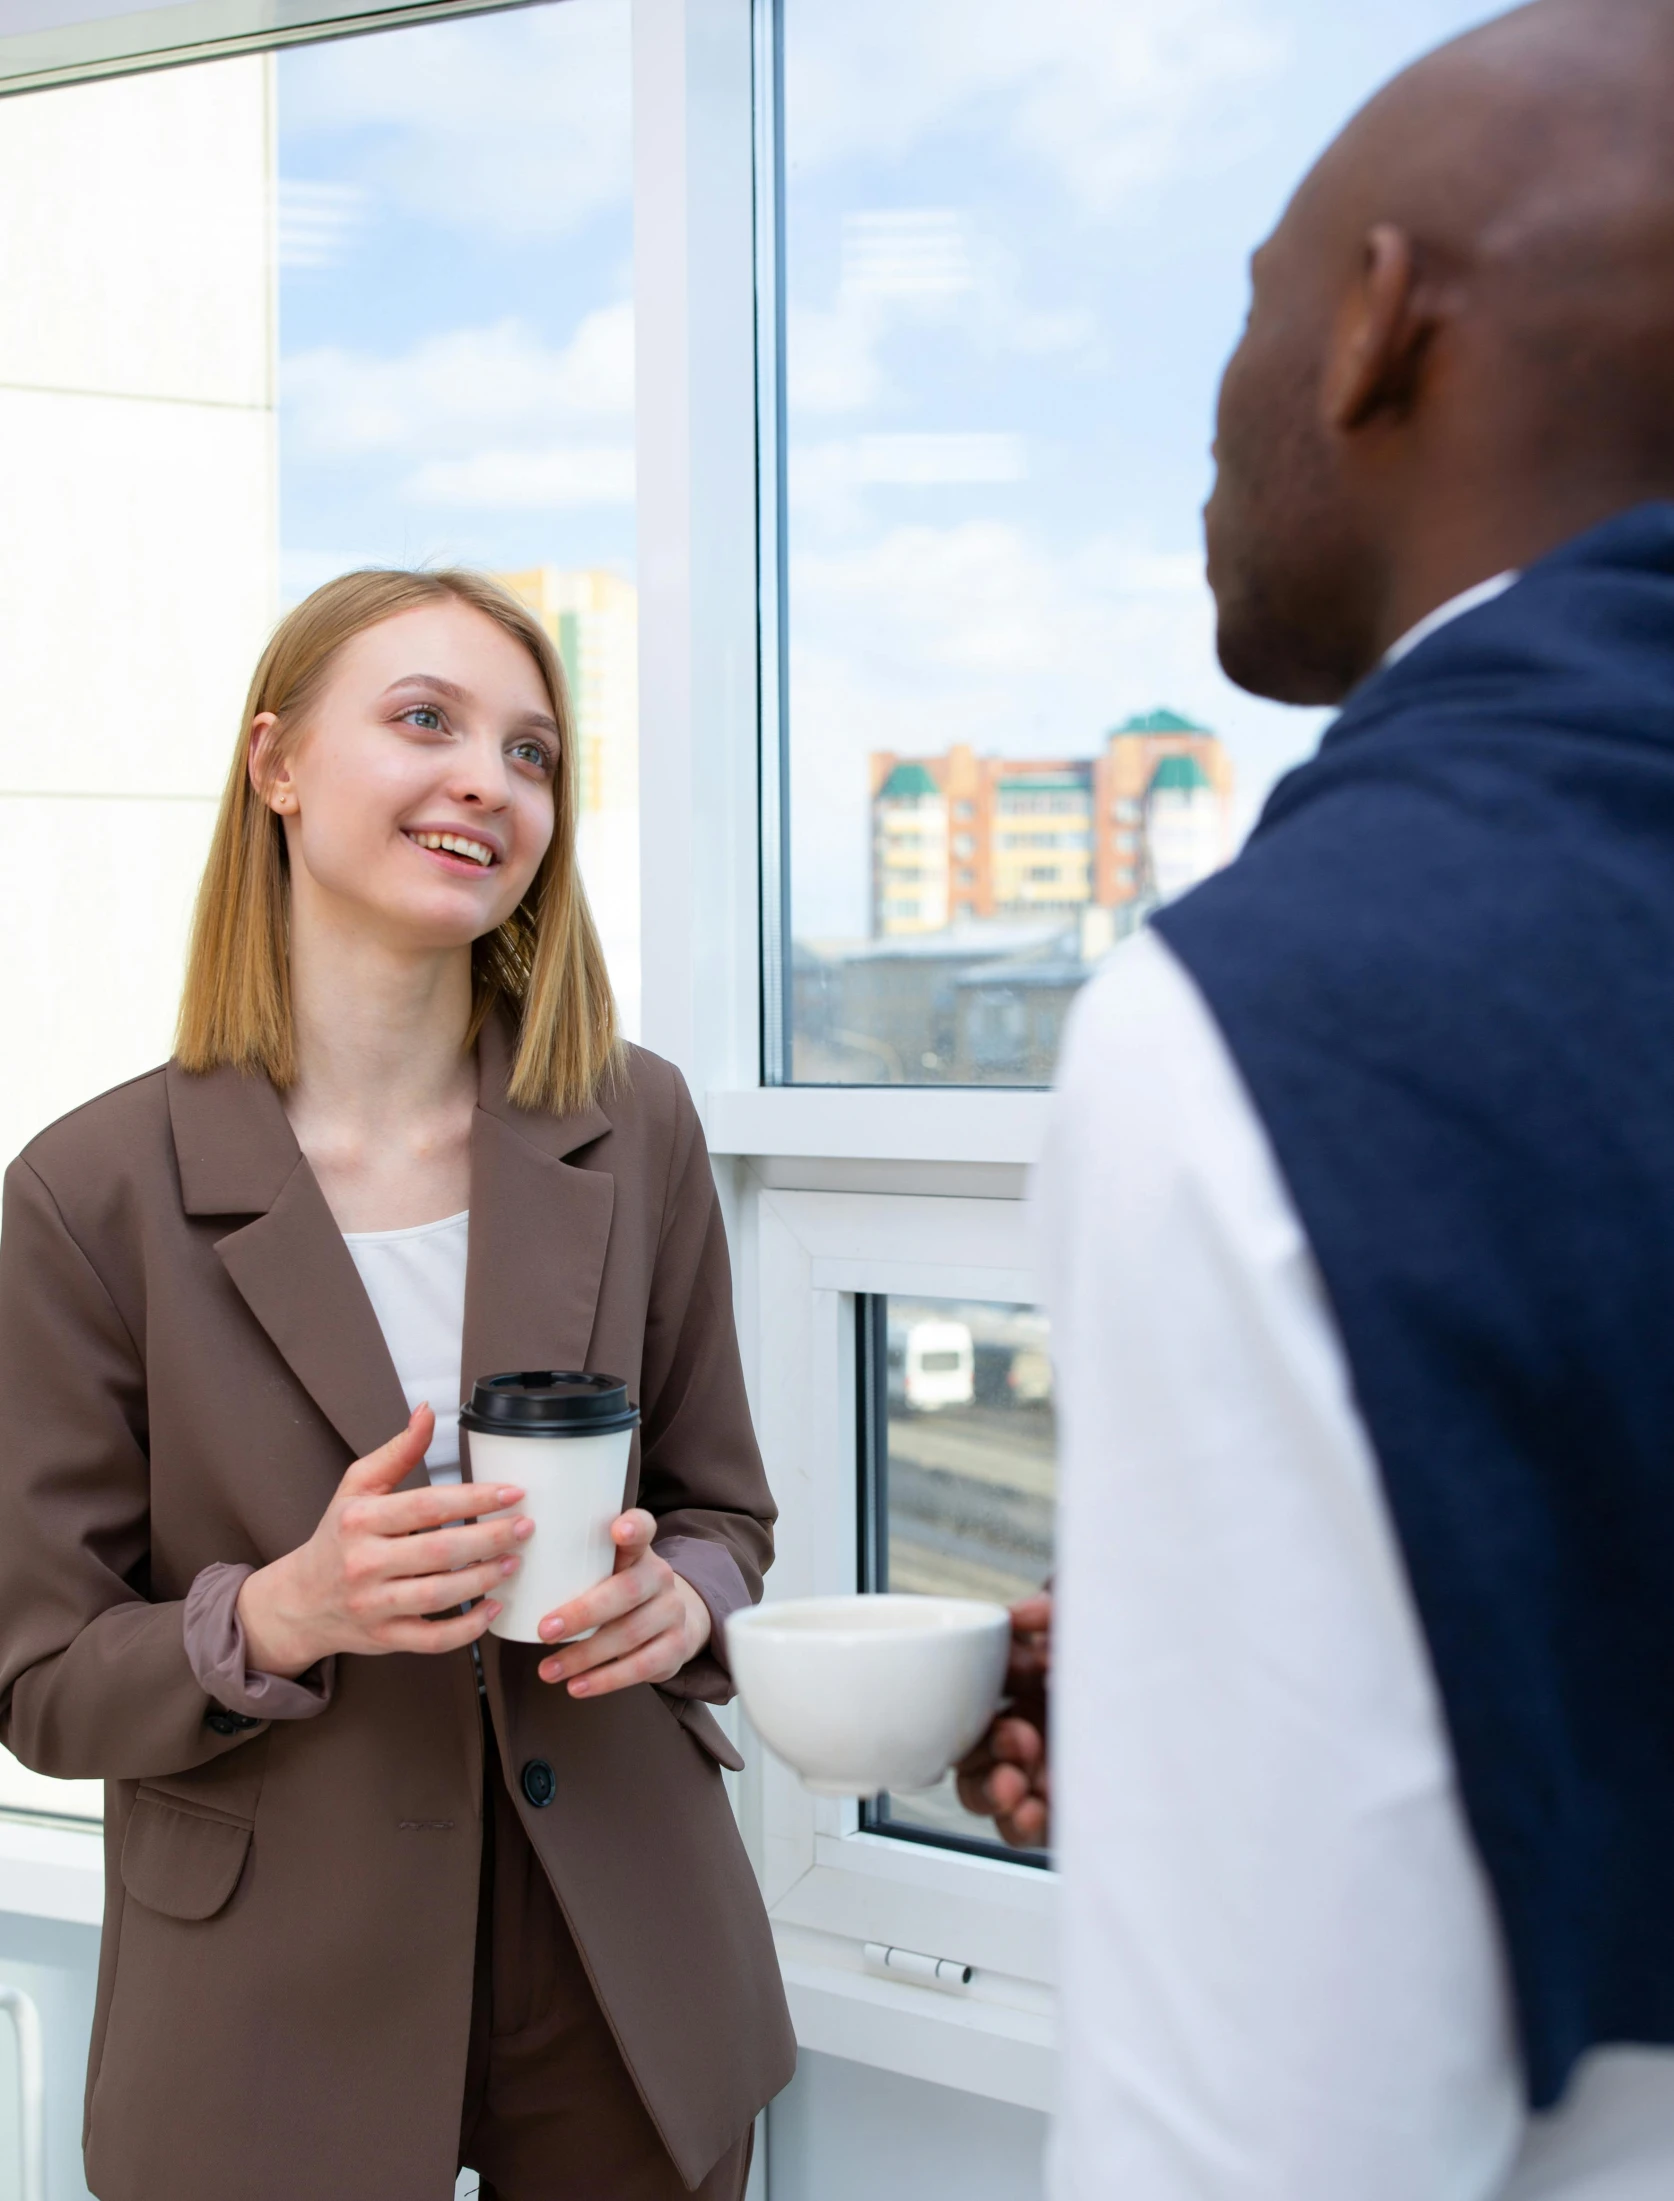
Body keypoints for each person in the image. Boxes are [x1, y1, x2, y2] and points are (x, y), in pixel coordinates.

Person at [961, 1, 1674, 2193]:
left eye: (1249, 296)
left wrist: (1245, 1791)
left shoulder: (1298, 1021)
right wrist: (1250, 1719)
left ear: (1379, 323)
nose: (1205, 417)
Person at [0, 569, 795, 2201]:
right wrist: (279, 1612)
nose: (487, 783)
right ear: (276, 764)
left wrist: (689, 1604)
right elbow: (44, 1685)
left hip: (626, 1962)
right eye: (424, 720)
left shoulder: (633, 1124)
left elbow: (725, 1513)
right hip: (269, 2007)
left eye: (531, 753)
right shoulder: (85, 1193)